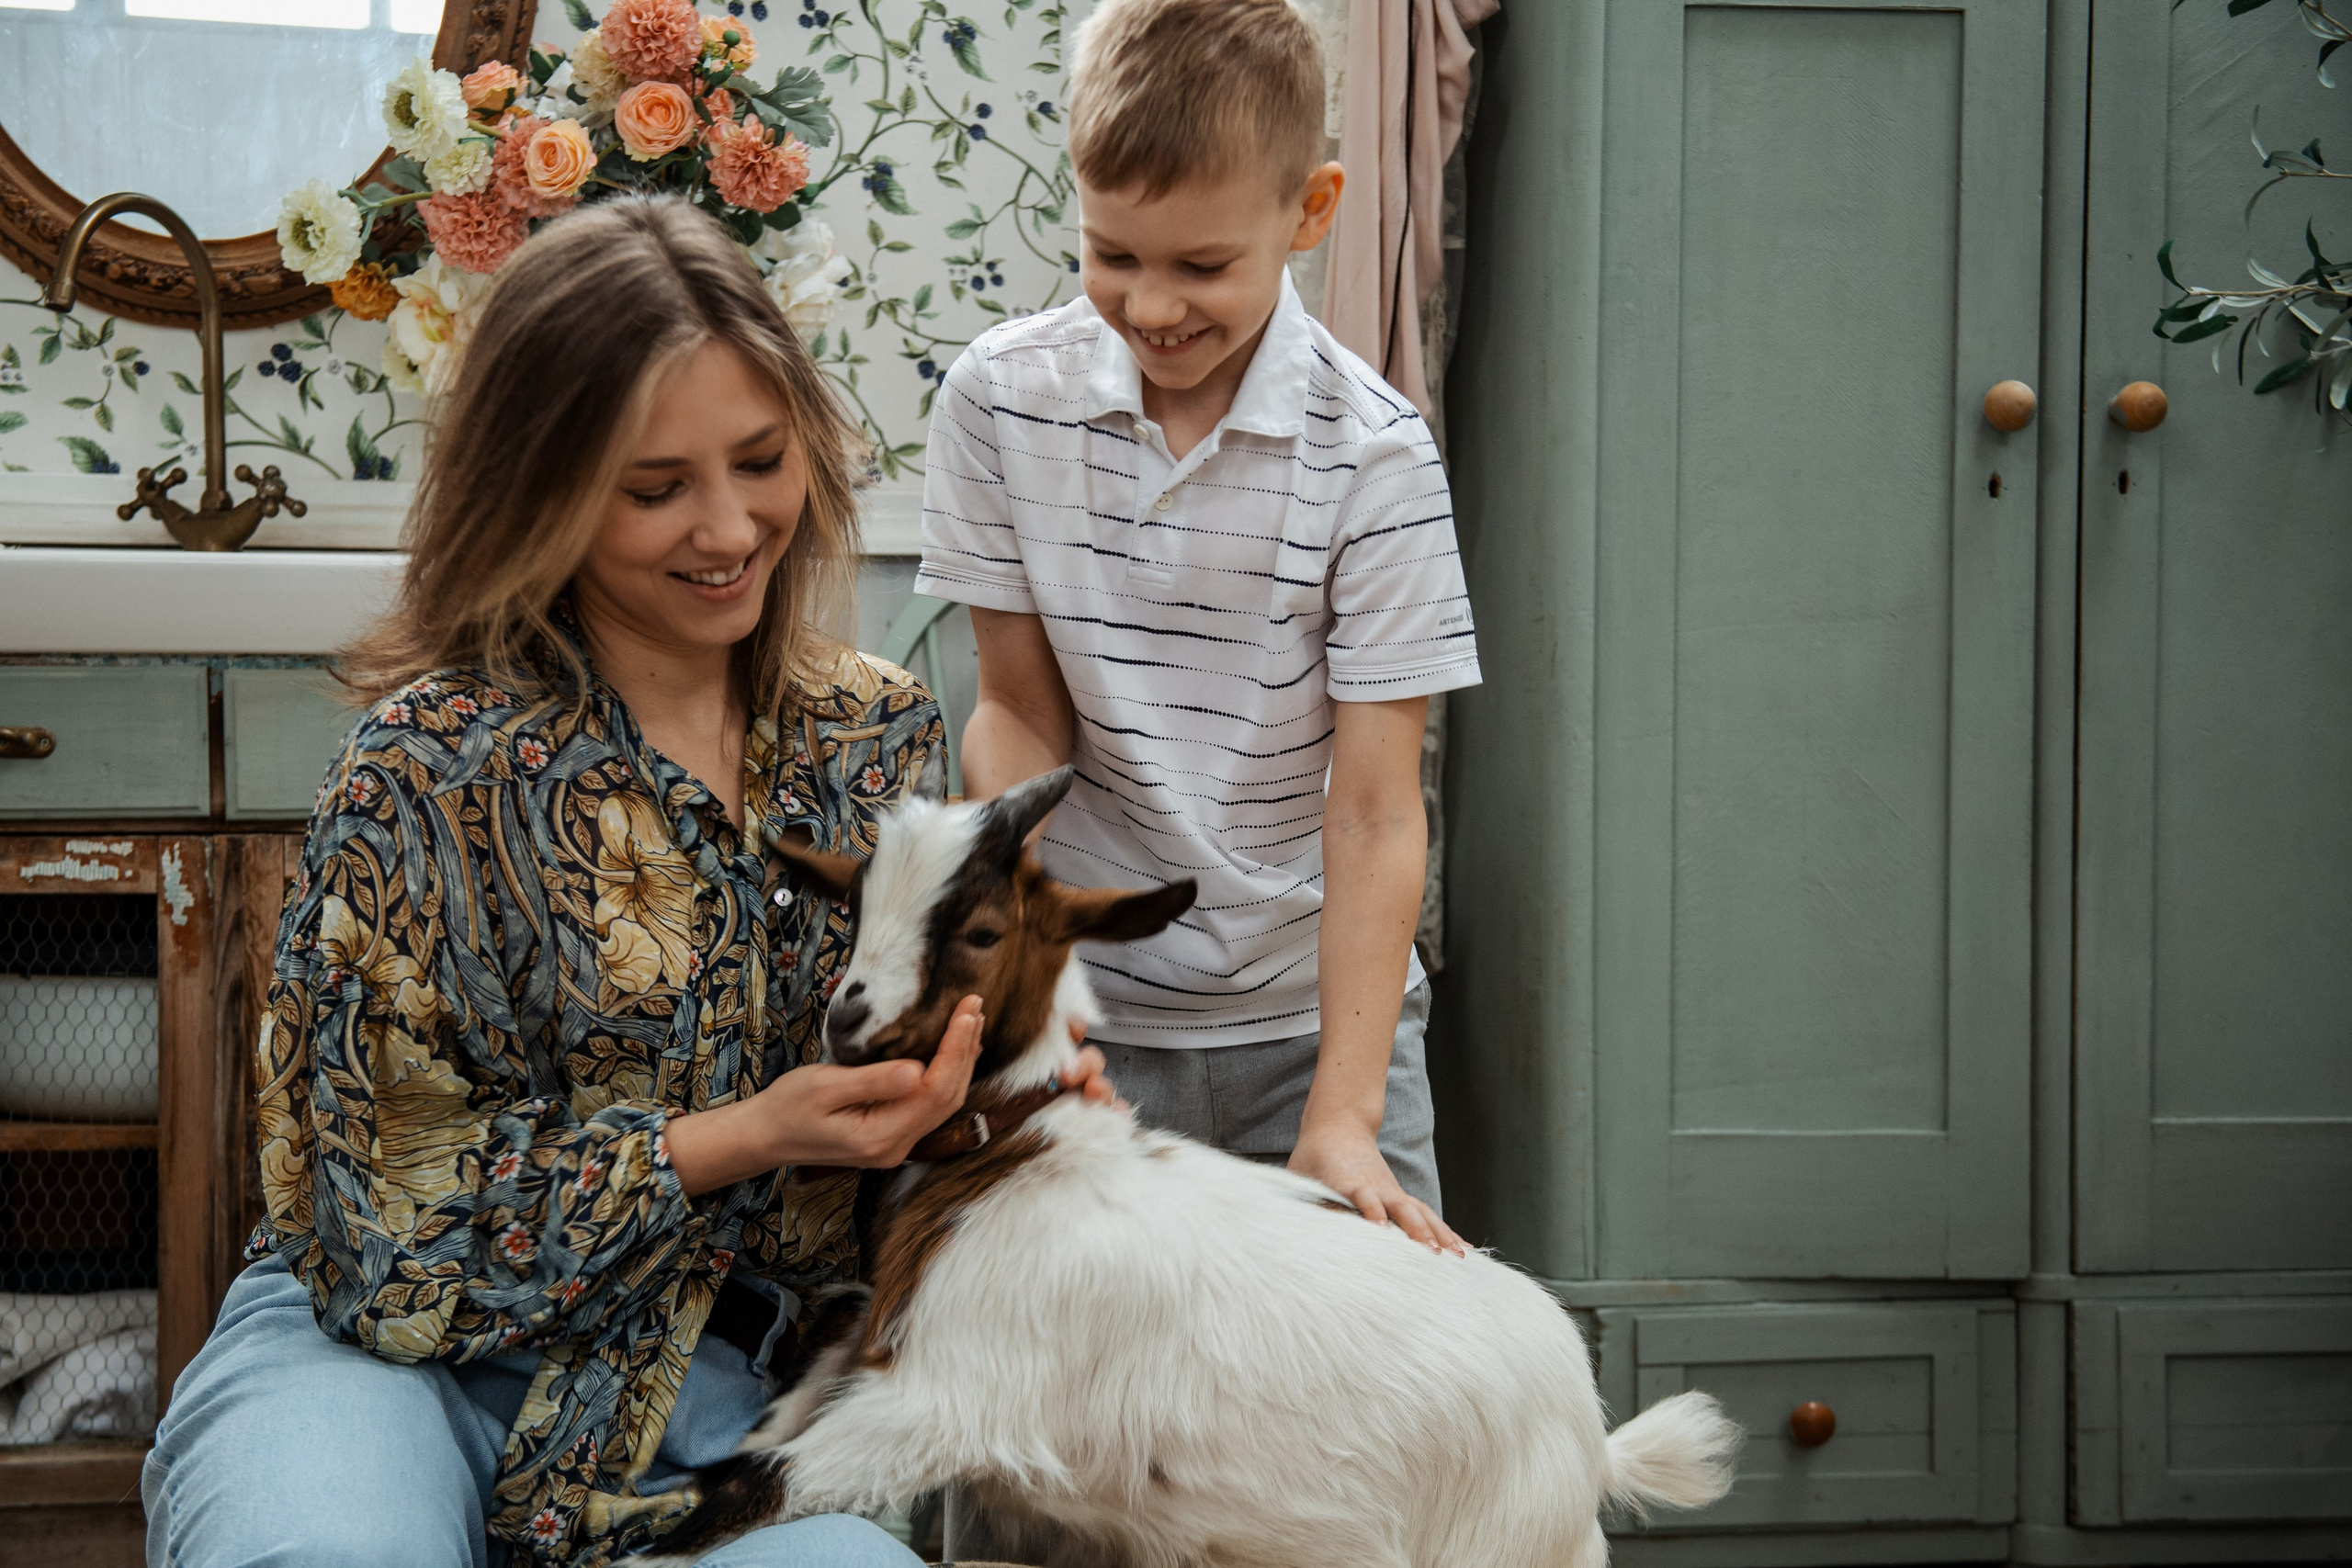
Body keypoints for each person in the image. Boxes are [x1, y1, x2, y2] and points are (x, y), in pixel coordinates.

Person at [141, 197, 1113, 1568]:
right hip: (380, 1367)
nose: (729, 526)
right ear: (544, 490)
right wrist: (734, 1137)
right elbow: (372, 1234)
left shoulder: (877, 737)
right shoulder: (422, 766)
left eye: (761, 461)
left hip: (710, 1406)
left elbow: (892, 1142)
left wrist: (980, 1110)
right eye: (655, 489)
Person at [917, 0, 1481, 1253]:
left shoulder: (1378, 459)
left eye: (1203, 266)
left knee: (1373, 1358)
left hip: (1318, 1030)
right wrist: (1024, 995)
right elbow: (1016, 716)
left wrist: (1344, 1115)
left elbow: (1376, 811)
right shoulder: (1000, 403)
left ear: (1310, 210)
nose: (1152, 304)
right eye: (1112, 254)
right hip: (1092, 1016)